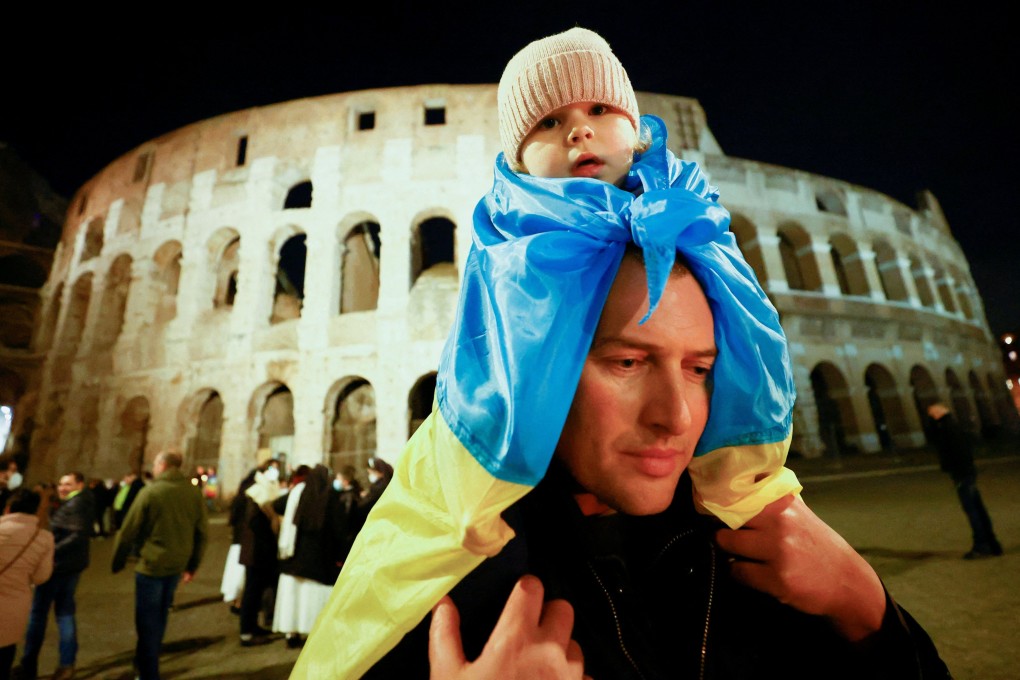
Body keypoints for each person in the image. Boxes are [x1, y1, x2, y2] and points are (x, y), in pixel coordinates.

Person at [293, 28, 942, 678]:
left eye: (700, 370)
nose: (678, 418)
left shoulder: (758, 541)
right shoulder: (458, 576)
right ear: (546, 356)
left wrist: (869, 612)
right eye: (627, 362)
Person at [111, 450, 208, 680]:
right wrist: (192, 565)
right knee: (160, 617)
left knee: (146, 621)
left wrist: (118, 560)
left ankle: (148, 672)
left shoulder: (151, 492)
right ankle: (142, 662)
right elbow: (202, 533)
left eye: (155, 464)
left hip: (151, 565)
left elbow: (128, 530)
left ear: (162, 465)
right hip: (176, 566)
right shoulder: (193, 493)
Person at [16, 472, 94, 680]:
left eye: (68, 484)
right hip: (71, 567)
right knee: (65, 613)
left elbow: (76, 535)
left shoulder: (76, 504)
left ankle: (29, 664)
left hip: (58, 568)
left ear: (80, 484)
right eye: (60, 484)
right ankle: (67, 664)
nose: (62, 487)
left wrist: (49, 549)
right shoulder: (78, 501)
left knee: (39, 615)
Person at [272, 465, 343, 649]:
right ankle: (313, 633)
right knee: (313, 597)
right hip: (319, 557)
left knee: (293, 597)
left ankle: (291, 633)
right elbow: (338, 528)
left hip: (294, 555)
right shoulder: (330, 496)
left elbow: (278, 505)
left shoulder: (298, 493)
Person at [926, 402, 1003, 559]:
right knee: (978, 508)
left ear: (939, 411)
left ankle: (982, 545)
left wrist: (958, 472)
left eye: (932, 413)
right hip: (966, 472)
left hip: (962, 474)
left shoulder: (947, 428)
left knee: (972, 510)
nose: (930, 416)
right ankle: (993, 544)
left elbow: (951, 449)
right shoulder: (952, 425)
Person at [1, 490, 54, 680]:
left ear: (8, 509)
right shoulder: (44, 538)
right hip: (14, 606)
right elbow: (41, 577)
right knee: (5, 654)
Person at [237, 460, 283, 646]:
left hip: (260, 551)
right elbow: (255, 524)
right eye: (272, 469)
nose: (275, 473)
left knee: (256, 591)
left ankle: (253, 626)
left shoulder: (266, 491)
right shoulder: (257, 492)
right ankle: (246, 632)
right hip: (255, 551)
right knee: (252, 591)